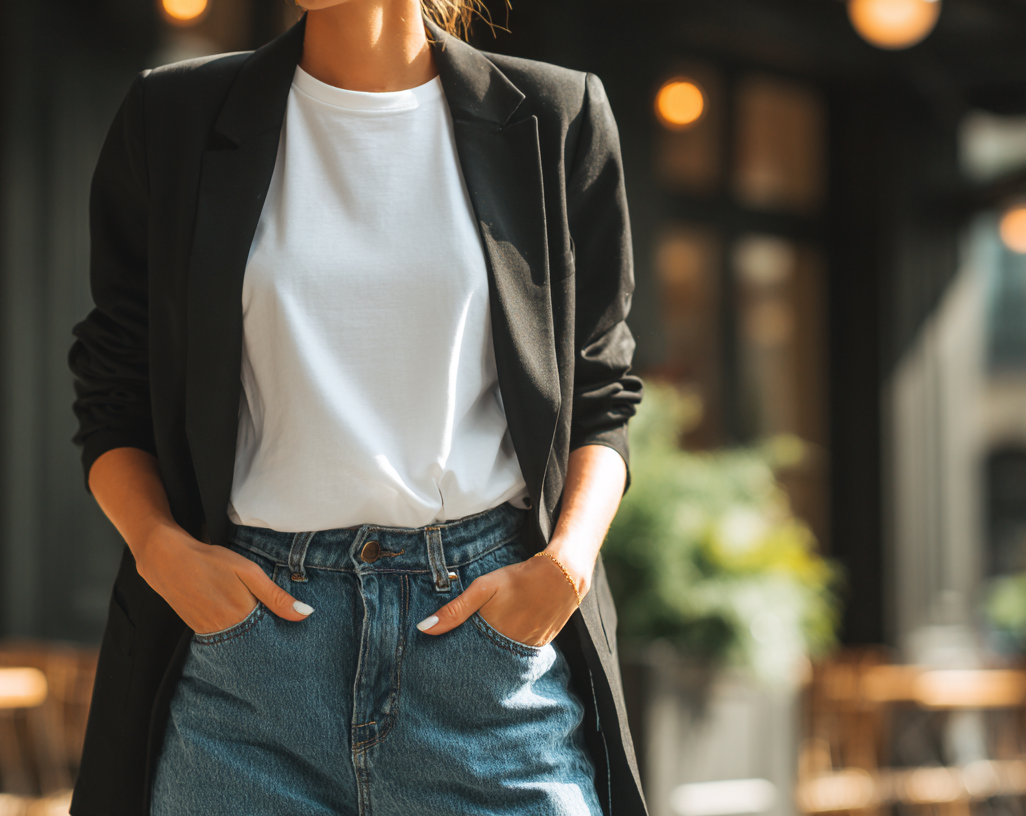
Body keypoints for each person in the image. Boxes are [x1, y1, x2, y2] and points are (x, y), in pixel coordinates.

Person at [68, 0, 644, 813]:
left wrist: (567, 565)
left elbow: (600, 390)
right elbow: (113, 387)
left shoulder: (554, 116)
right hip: (251, 655)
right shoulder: (174, 116)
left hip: (485, 647)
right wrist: (161, 549)